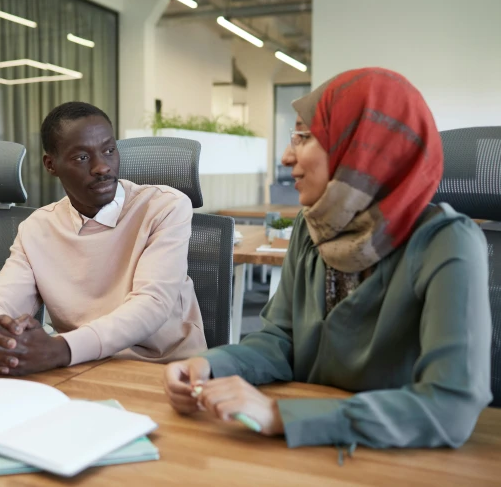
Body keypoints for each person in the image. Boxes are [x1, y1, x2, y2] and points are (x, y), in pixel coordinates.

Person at [164, 68, 493, 449]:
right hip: (310, 449)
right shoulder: (315, 225)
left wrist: (279, 416)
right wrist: (210, 365)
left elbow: (449, 406)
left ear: (361, 147)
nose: (287, 156)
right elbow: (280, 339)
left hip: (395, 457)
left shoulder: (446, 241)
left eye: (304, 137)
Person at [0, 101, 207, 375]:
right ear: (51, 164)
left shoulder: (164, 207)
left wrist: (60, 348)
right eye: (82, 157)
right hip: (81, 368)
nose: (102, 167)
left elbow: (152, 304)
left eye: (108, 150)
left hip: (165, 370)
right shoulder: (38, 228)